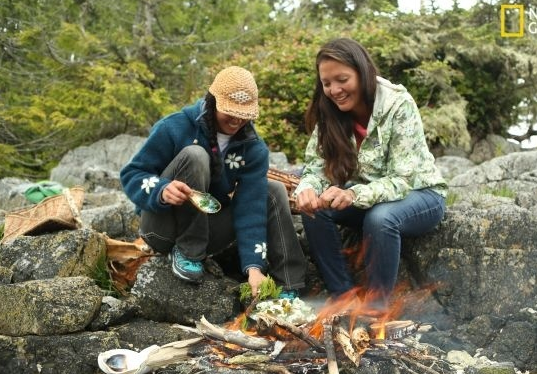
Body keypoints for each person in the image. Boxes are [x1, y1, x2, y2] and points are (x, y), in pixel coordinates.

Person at [120, 66, 306, 299]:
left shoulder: (253, 149)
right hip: (161, 229)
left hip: (209, 232)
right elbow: (132, 173)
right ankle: (188, 252)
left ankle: (287, 283)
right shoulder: (175, 127)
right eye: (231, 111)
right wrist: (161, 190)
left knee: (273, 190)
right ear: (213, 100)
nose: (238, 119)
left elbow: (251, 208)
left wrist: (254, 267)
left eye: (244, 113)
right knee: (195, 155)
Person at [294, 38, 447, 309]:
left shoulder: (398, 104)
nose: (334, 90)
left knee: (380, 218)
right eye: (327, 83)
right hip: (366, 196)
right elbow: (316, 167)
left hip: (419, 193)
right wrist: (306, 188)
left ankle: (377, 309)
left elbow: (402, 179)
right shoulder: (330, 112)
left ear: (362, 72)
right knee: (316, 209)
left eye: (342, 79)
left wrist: (353, 193)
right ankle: (344, 299)